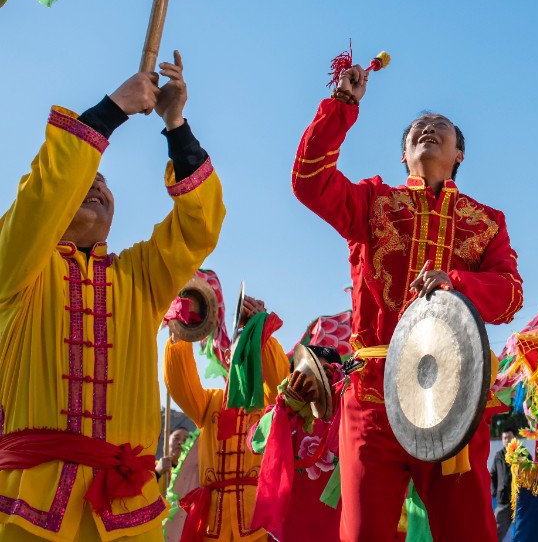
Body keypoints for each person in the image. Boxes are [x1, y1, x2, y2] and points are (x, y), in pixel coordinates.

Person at [293, 63, 524, 542]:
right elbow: (309, 183)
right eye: (417, 128)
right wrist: (342, 106)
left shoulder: (485, 221)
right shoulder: (371, 203)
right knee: (362, 535)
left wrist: (457, 282)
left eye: (440, 127)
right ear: (403, 155)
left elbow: (509, 296)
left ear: (458, 152)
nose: (426, 129)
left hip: (456, 395)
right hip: (373, 396)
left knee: (470, 533)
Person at [0, 56, 224, 542]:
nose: (97, 183)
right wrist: (112, 110)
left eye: (103, 182)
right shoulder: (17, 269)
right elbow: (43, 195)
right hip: (25, 510)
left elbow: (200, 228)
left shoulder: (138, 275)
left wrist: (176, 127)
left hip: (127, 515)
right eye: (86, 178)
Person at [164, 292, 289, 541]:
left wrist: (260, 330)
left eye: (249, 350)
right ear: (227, 358)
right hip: (213, 526)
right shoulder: (210, 403)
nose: (243, 357)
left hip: (259, 526)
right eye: (237, 351)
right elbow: (179, 383)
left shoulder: (269, 404)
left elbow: (281, 384)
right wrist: (182, 331)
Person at [250, 345, 345, 542]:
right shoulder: (282, 412)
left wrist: (344, 397)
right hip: (290, 529)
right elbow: (255, 443)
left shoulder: (348, 413)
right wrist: (286, 408)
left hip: (338, 528)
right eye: (308, 372)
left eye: (324, 373)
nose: (315, 382)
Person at [490, 430, 516, 540]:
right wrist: (495, 491)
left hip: (519, 504)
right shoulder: (498, 456)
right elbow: (493, 475)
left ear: (514, 438)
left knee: (522, 534)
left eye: (509, 437)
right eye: (504, 438)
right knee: (495, 534)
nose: (507, 440)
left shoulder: (523, 455)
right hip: (503, 502)